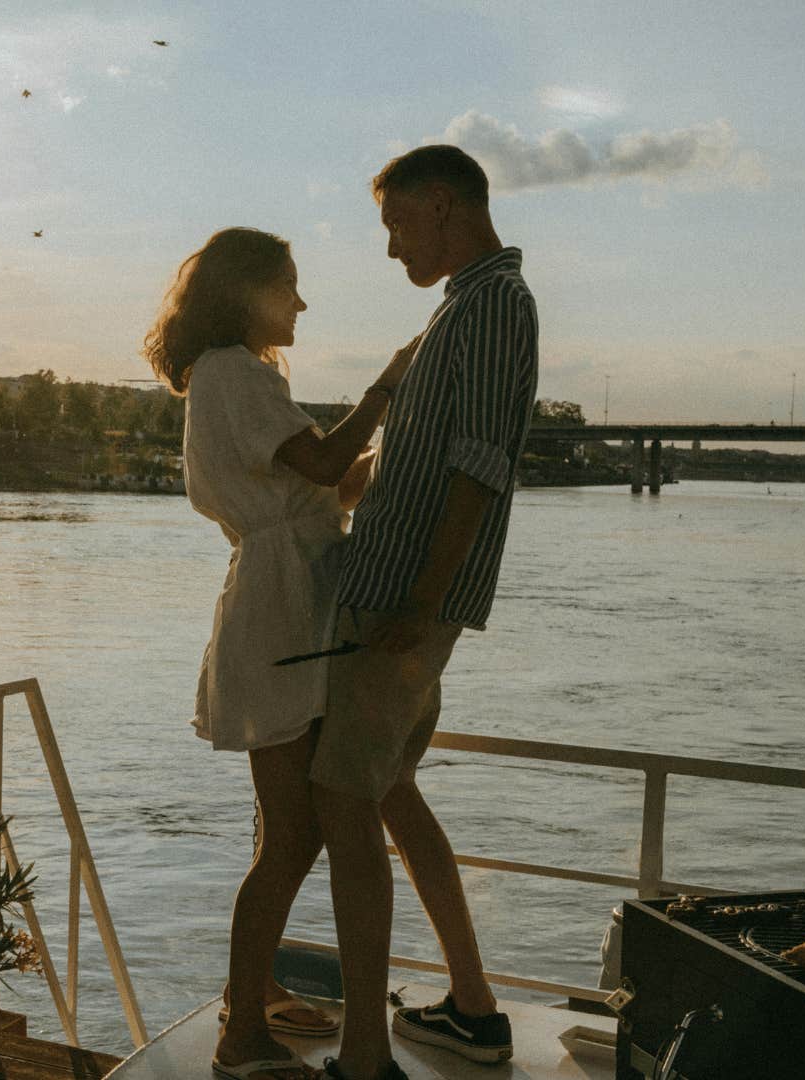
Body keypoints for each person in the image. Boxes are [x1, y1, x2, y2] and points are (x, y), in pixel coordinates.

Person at [142, 226, 417, 1080]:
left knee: (288, 826)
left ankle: (250, 998)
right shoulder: (230, 369)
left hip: (292, 601)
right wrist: (387, 385)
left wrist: (407, 446)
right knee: (292, 835)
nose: (301, 302)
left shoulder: (246, 374)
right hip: (279, 611)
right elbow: (329, 459)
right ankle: (240, 1027)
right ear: (247, 292)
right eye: (288, 286)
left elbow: (331, 484)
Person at [310, 145, 540, 1080]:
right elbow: (423, 464)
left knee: (344, 799)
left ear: (442, 207)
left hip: (402, 603)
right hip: (401, 593)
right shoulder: (462, 306)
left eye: (398, 224)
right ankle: (473, 1011)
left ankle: (364, 1057)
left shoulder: (491, 305)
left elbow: (480, 464)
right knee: (393, 790)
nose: (392, 246)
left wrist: (421, 597)